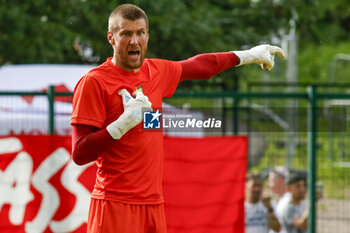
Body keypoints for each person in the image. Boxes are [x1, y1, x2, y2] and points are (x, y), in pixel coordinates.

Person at [70, 3, 286, 233]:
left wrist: (249, 55)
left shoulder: (156, 72)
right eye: (126, 34)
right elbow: (80, 153)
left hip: (153, 205)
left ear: (147, 36)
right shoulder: (94, 82)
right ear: (111, 38)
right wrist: (122, 124)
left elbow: (201, 66)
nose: (134, 41)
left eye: (140, 33)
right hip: (114, 205)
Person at [268, 166, 291, 233]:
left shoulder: (287, 201)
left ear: (281, 180)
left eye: (271, 181)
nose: (269, 185)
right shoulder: (283, 200)